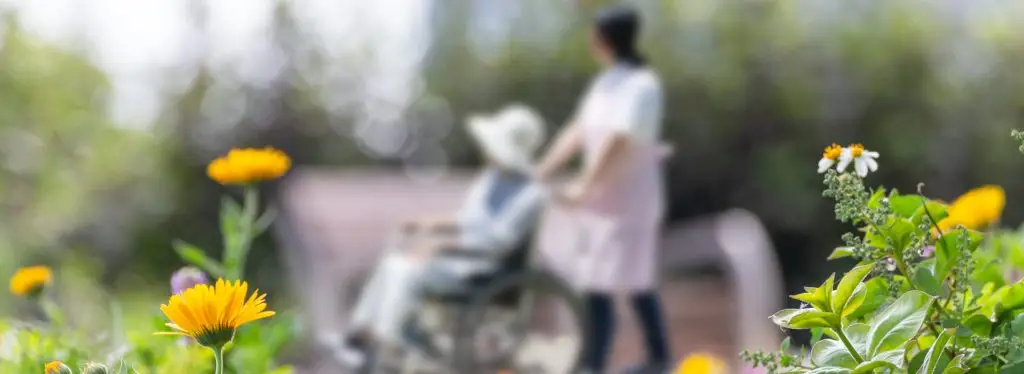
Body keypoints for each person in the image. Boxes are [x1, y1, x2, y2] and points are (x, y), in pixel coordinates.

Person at [334, 104, 549, 371]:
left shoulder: (531, 195)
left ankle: (386, 344)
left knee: (405, 270)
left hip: (482, 268)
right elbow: (467, 220)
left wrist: (442, 247)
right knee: (393, 263)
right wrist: (429, 225)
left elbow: (499, 242)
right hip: (456, 259)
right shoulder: (490, 179)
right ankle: (363, 335)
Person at [534, 4, 671, 374]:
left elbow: (618, 140)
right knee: (598, 279)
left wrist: (584, 184)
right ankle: (595, 361)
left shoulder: (642, 85)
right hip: (602, 198)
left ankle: (657, 359)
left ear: (606, 38)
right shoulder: (607, 83)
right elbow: (579, 131)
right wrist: (543, 169)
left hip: (630, 196)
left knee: (633, 278)